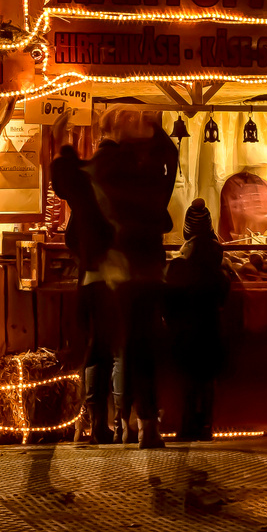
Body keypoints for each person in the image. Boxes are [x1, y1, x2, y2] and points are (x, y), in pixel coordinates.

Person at [88, 126, 179, 447]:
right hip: (150, 275)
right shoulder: (153, 189)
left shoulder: (108, 187)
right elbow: (171, 158)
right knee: (144, 351)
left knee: (119, 351)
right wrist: (156, 131)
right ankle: (147, 426)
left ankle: (120, 424)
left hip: (120, 277)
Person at [51, 143, 119, 444]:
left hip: (92, 279)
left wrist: (66, 153)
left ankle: (97, 423)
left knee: (96, 352)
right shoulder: (120, 196)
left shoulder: (87, 195)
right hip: (117, 281)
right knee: (116, 353)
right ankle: (124, 425)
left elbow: (71, 237)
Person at [164, 200, 234, 441]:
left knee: (188, 383)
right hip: (212, 328)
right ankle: (206, 426)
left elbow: (169, 301)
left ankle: (186, 426)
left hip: (185, 332)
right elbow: (223, 296)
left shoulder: (179, 266)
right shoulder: (219, 266)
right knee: (207, 381)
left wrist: (170, 323)